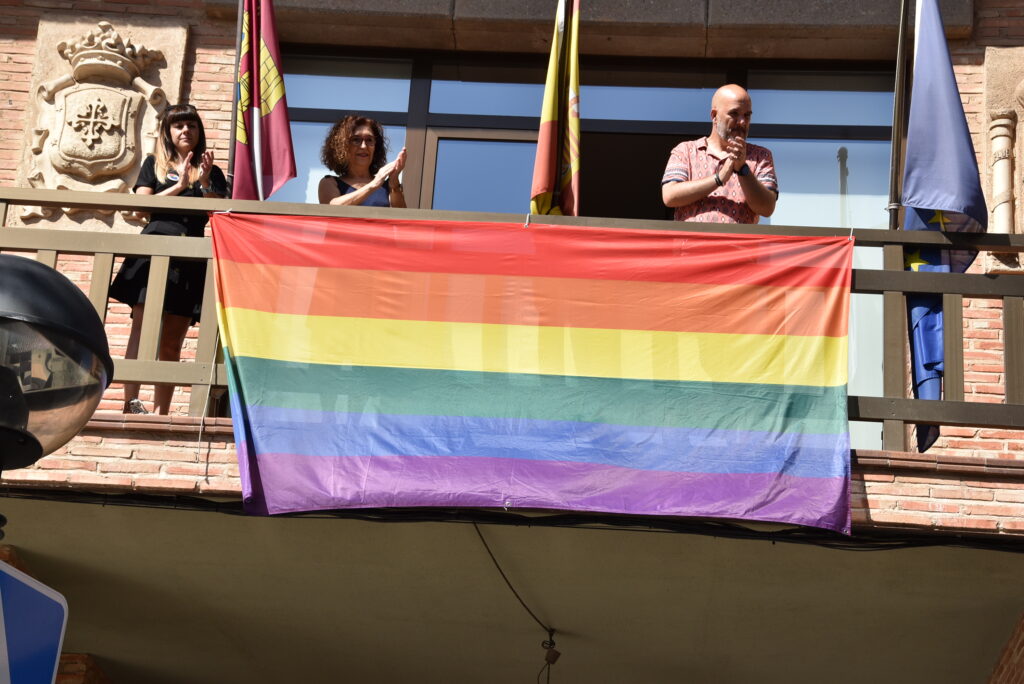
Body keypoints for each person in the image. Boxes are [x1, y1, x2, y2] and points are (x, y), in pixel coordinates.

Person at [109, 103, 227, 415]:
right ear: (168, 132)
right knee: (142, 327)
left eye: (191, 125)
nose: (186, 130)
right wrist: (178, 187)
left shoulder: (211, 172)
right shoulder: (154, 164)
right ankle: (131, 402)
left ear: (199, 131)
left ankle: (163, 411)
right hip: (155, 247)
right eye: (179, 126)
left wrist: (203, 184)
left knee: (173, 340)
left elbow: (216, 214)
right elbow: (140, 208)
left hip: (189, 254)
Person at [661, 84, 778, 223]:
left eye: (747, 115)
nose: (742, 122)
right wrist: (719, 178)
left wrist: (743, 170)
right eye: (734, 113)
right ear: (714, 116)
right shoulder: (685, 150)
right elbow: (670, 196)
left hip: (738, 245)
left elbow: (767, 207)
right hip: (693, 244)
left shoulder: (761, 156)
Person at [318, 115, 407, 207]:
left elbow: (403, 218)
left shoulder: (388, 186)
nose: (364, 146)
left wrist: (394, 186)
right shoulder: (329, 182)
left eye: (369, 140)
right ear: (342, 146)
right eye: (356, 140)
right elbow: (331, 208)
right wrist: (374, 184)